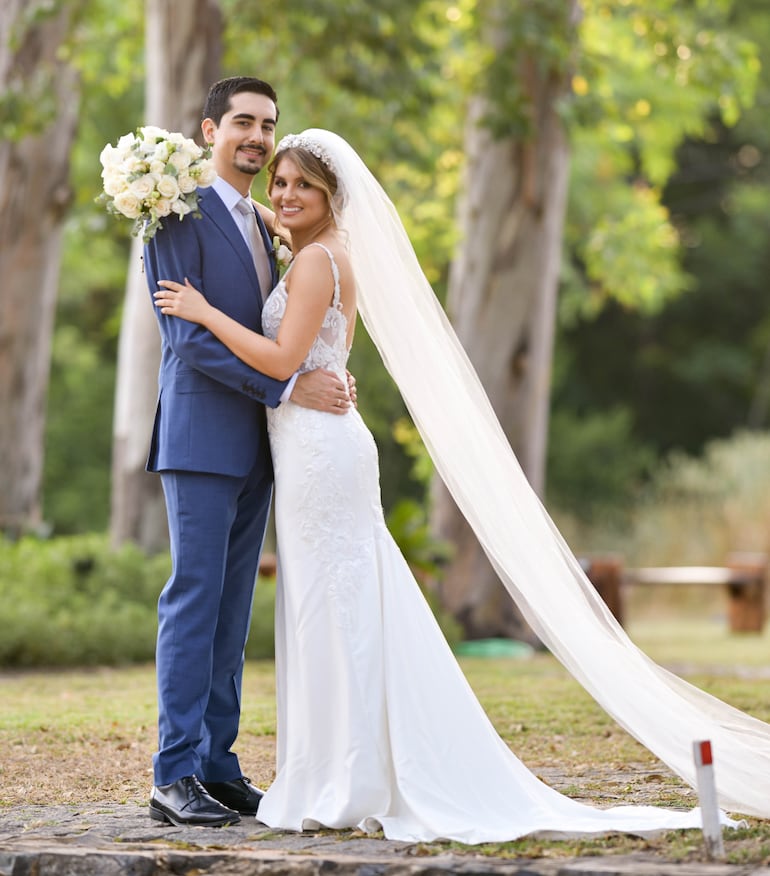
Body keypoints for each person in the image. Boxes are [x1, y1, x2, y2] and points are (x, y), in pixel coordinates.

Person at [154, 129, 770, 840]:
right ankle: (337, 765)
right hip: (308, 450)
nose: (285, 195)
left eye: (303, 186)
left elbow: (284, 354)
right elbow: (248, 216)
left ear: (332, 197)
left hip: (321, 454)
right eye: (280, 183)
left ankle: (348, 775)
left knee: (334, 607)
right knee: (330, 607)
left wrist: (204, 314)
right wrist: (205, 193)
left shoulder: (321, 259)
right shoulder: (304, 242)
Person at [143, 82, 355, 829]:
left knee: (233, 615)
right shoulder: (172, 211)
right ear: (210, 129)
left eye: (268, 124)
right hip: (201, 440)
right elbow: (188, 339)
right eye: (243, 122)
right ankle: (173, 775)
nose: (258, 137)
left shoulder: (269, 223)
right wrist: (288, 388)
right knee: (194, 601)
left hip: (264, 452)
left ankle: (218, 765)